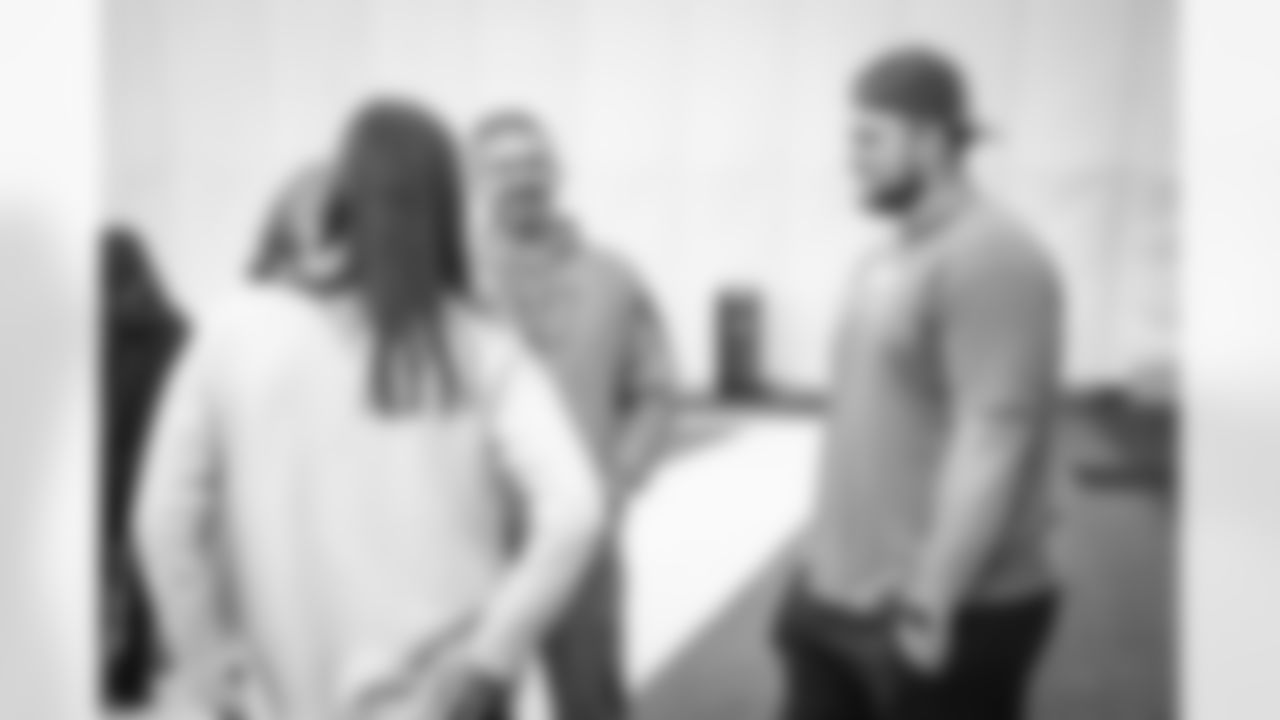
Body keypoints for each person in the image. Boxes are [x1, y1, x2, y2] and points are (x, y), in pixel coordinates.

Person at [135, 99, 605, 720]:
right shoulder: (481, 343)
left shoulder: (232, 328)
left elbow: (164, 520)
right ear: (452, 203)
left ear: (340, 195)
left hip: (274, 698)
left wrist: (207, 665)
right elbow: (575, 511)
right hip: (442, 697)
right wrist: (491, 657)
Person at [775, 47, 1064, 720]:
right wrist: (822, 561)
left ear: (932, 142)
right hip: (836, 595)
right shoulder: (883, 257)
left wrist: (932, 602)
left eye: (869, 138)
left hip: (946, 608)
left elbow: (995, 436)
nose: (851, 157)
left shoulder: (993, 257)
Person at [470, 111, 675, 720]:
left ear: (558, 171)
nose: (522, 178)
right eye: (504, 166)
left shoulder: (613, 278)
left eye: (534, 162)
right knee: (473, 705)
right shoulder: (452, 288)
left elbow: (657, 392)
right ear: (475, 178)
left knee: (591, 704)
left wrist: (618, 482)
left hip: (583, 543)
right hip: (474, 546)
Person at [103, 226, 189, 707]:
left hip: (107, 468)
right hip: (154, 468)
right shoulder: (177, 329)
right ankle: (130, 675)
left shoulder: (94, 326)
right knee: (142, 576)